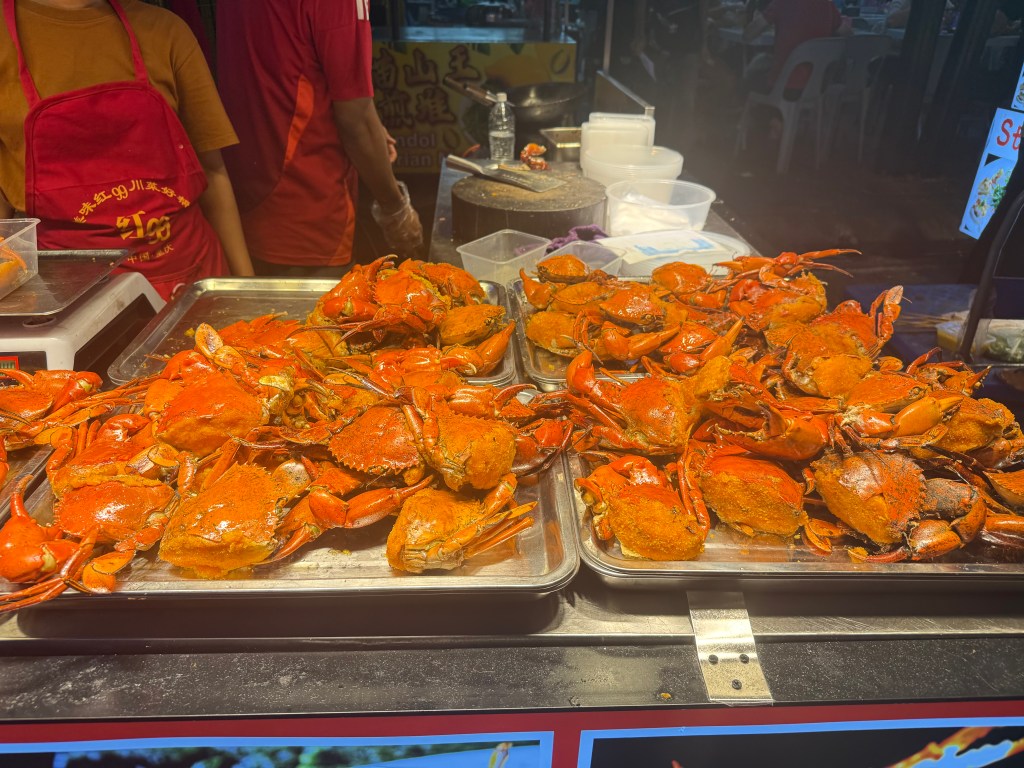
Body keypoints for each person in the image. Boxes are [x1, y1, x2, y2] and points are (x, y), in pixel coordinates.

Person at [0, 0, 254, 300]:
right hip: (67, 292)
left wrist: (247, 288)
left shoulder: (165, 31)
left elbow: (212, 169)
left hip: (188, 277)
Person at [215, 0, 423, 277]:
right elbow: (355, 121)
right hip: (307, 203)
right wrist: (396, 209)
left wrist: (370, 125)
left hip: (247, 198)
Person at [742, 0, 848, 92]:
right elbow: (846, 33)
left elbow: (748, 35)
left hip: (783, 85)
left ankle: (741, 109)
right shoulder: (828, 5)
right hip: (817, 86)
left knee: (754, 68)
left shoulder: (782, 3)